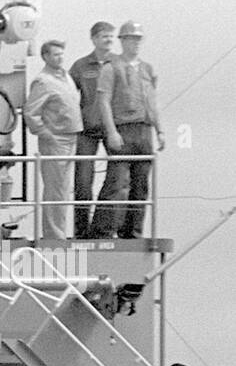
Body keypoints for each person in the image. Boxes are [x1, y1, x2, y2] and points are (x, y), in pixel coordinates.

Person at [89, 21, 164, 240]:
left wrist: (160, 130)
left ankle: (132, 232)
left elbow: (152, 102)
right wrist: (111, 131)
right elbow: (103, 101)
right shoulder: (111, 68)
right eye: (132, 39)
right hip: (123, 128)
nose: (136, 43)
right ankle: (104, 230)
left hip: (144, 130)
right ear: (123, 41)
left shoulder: (147, 69)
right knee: (118, 183)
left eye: (138, 39)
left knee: (140, 185)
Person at [23, 40, 83, 240]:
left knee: (64, 189)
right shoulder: (43, 81)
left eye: (61, 54)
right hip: (55, 140)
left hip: (71, 136)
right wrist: (44, 132)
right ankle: (54, 234)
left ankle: (60, 231)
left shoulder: (65, 77)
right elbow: (31, 112)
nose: (60, 58)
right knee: (55, 188)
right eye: (56, 54)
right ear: (46, 57)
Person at [71, 21, 118, 239]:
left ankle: (105, 227)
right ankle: (81, 230)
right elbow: (69, 95)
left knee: (118, 178)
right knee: (82, 181)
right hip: (87, 129)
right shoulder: (81, 66)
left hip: (113, 128)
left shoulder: (120, 64)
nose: (108, 40)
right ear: (94, 39)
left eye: (111, 36)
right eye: (103, 36)